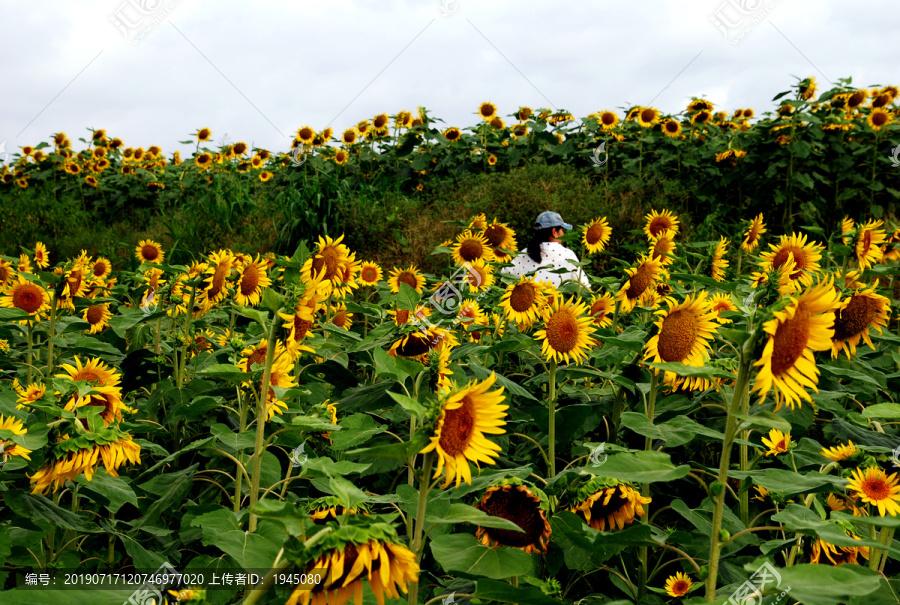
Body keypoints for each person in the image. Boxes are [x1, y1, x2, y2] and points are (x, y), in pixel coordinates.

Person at [502, 211, 591, 289]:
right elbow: (584, 287)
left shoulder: (523, 254)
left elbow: (503, 277)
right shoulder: (567, 255)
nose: (563, 234)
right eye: (562, 230)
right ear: (554, 232)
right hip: (561, 307)